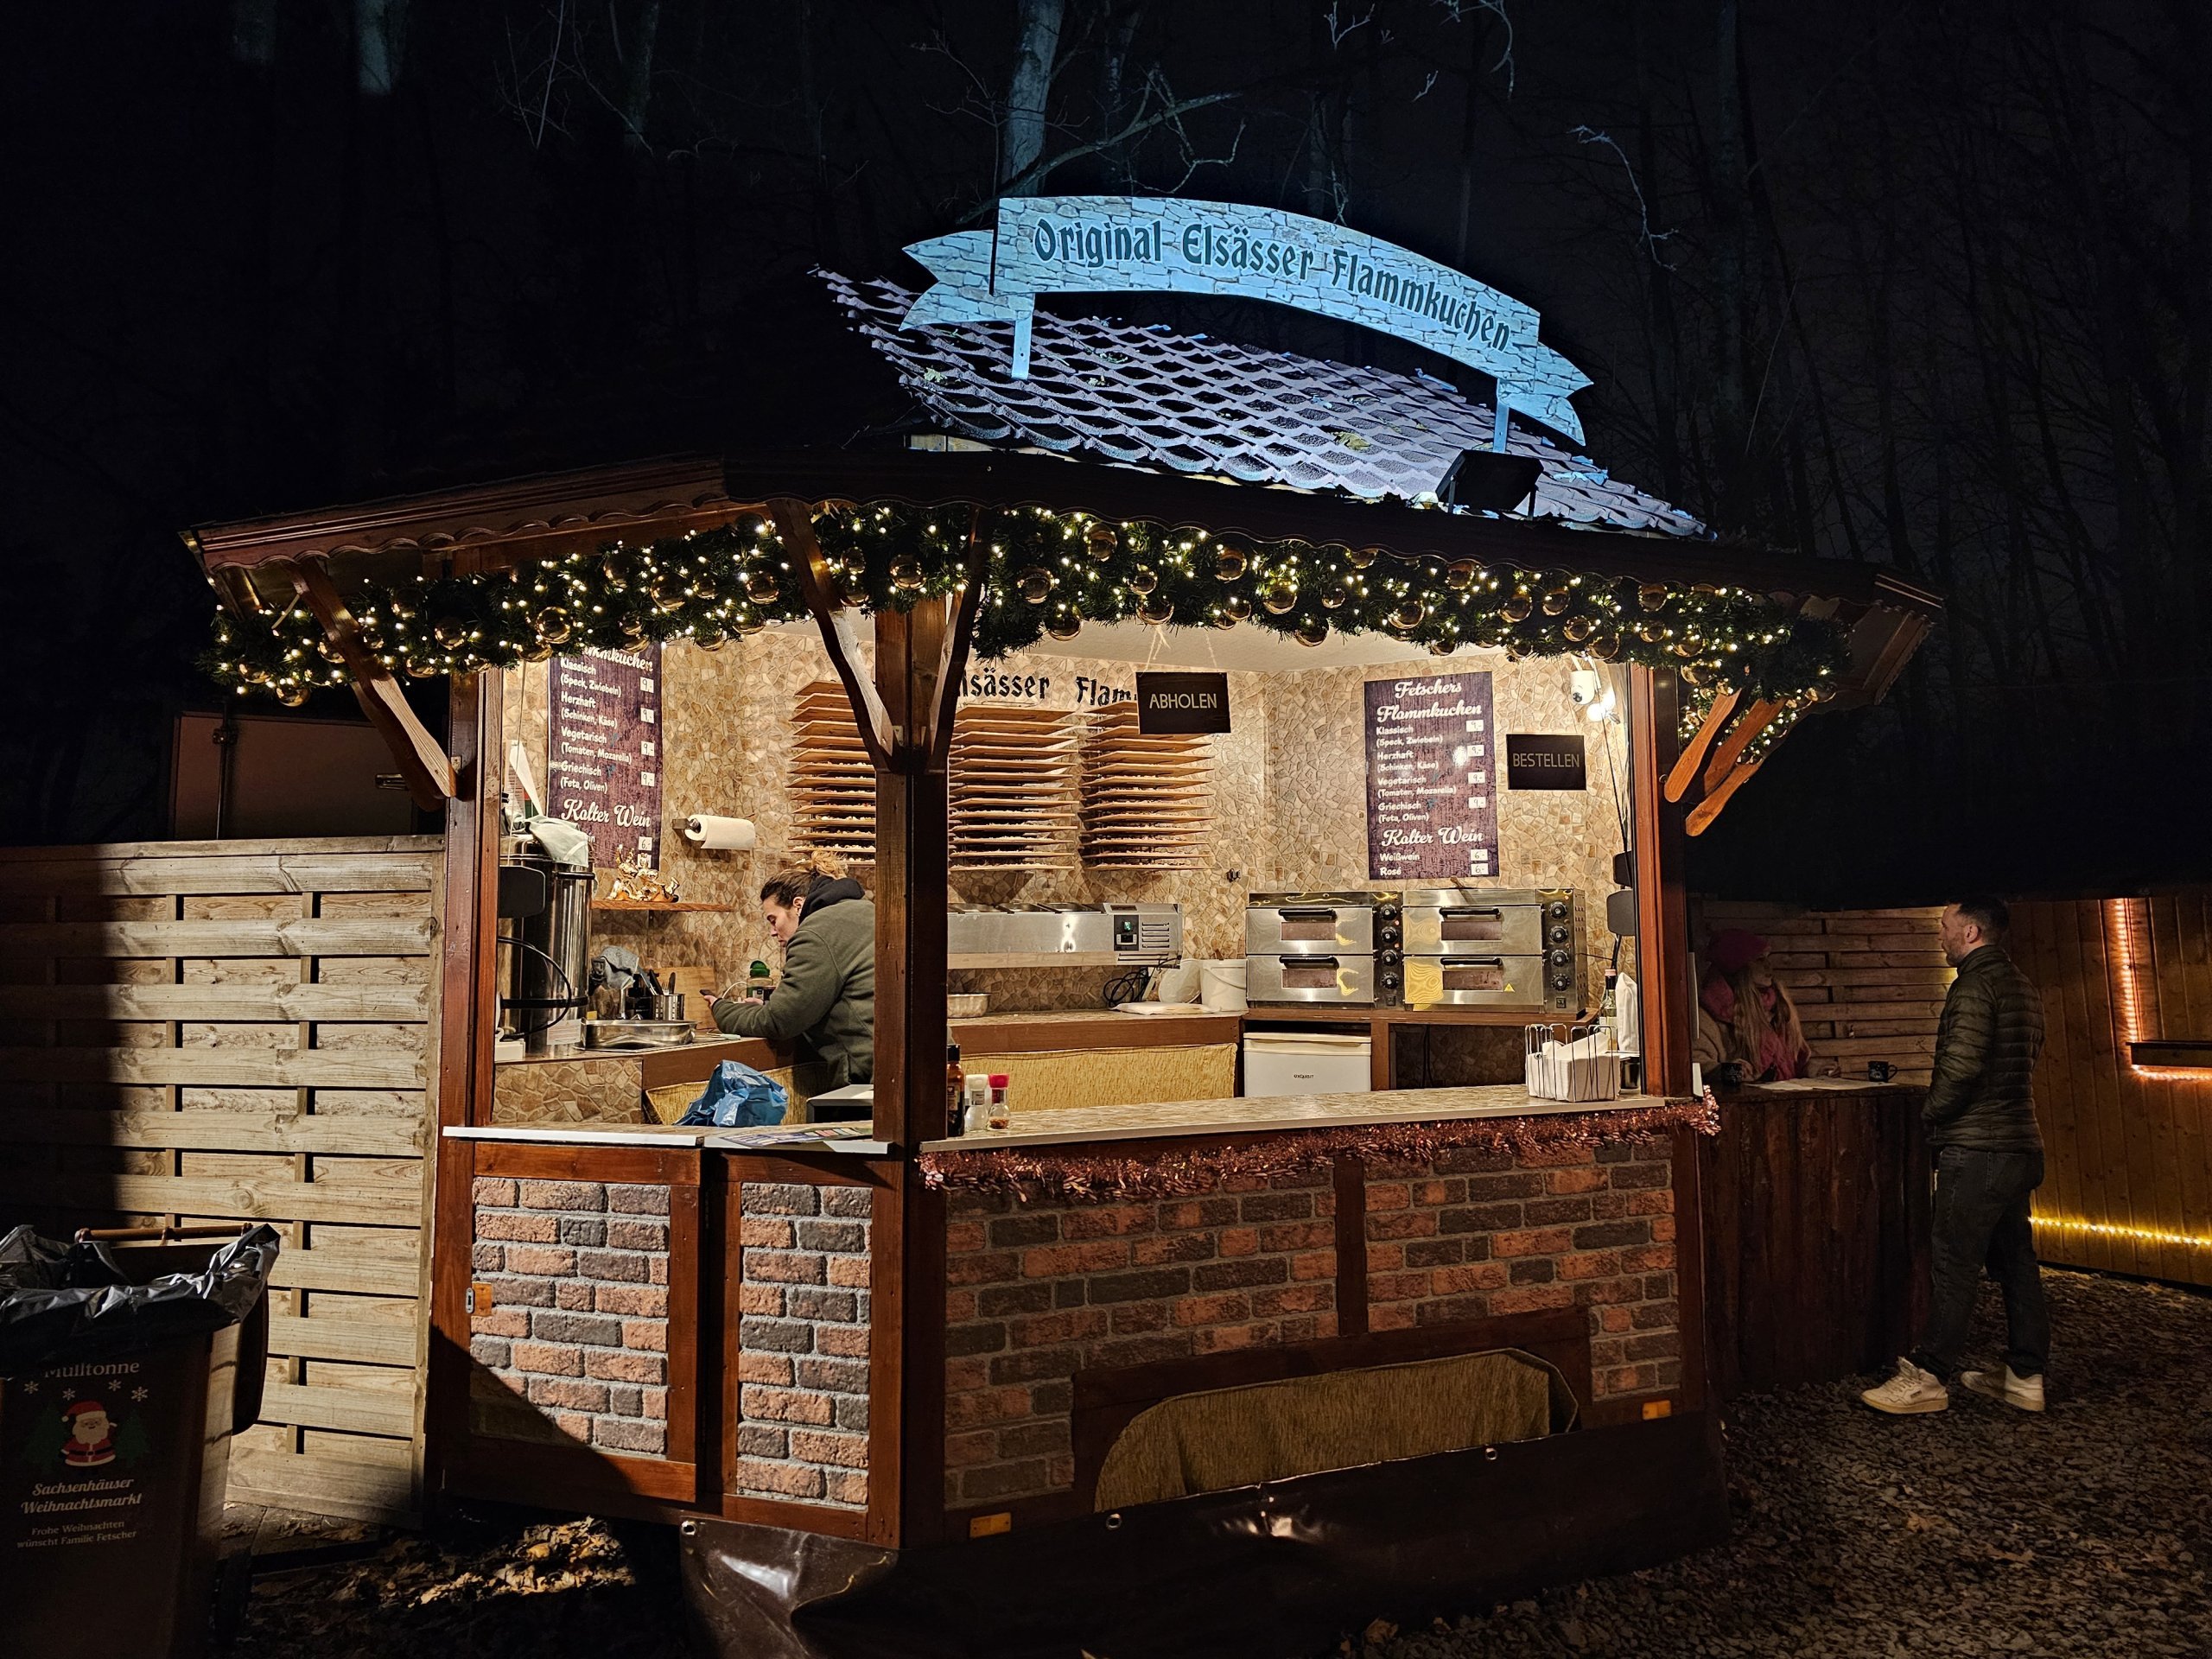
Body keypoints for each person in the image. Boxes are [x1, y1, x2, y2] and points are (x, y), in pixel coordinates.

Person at [1861, 896, 2050, 1415]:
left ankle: (1928, 1376)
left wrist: (1931, 1116)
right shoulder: (2021, 986)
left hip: (1978, 1149)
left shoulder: (1972, 987)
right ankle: (2026, 1376)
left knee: (1953, 1263)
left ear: (1970, 932)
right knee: (2017, 1263)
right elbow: (2025, 1057)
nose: (1939, 935)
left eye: (1945, 926)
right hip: (2020, 1144)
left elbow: (1962, 1068)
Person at [711, 856, 875, 1089]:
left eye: (773, 919)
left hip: (869, 1080)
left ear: (798, 905)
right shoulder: (867, 911)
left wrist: (721, 1009)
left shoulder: (815, 932)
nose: (772, 931)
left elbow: (780, 1021)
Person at [1692, 929, 1810, 1084]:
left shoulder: (1779, 1008)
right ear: (1738, 967)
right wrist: (1733, 1072)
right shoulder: (1709, 1016)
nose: (1768, 966)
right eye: (1759, 960)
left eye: (1767, 958)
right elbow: (1698, 1066)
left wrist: (1812, 1070)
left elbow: (1797, 1061)